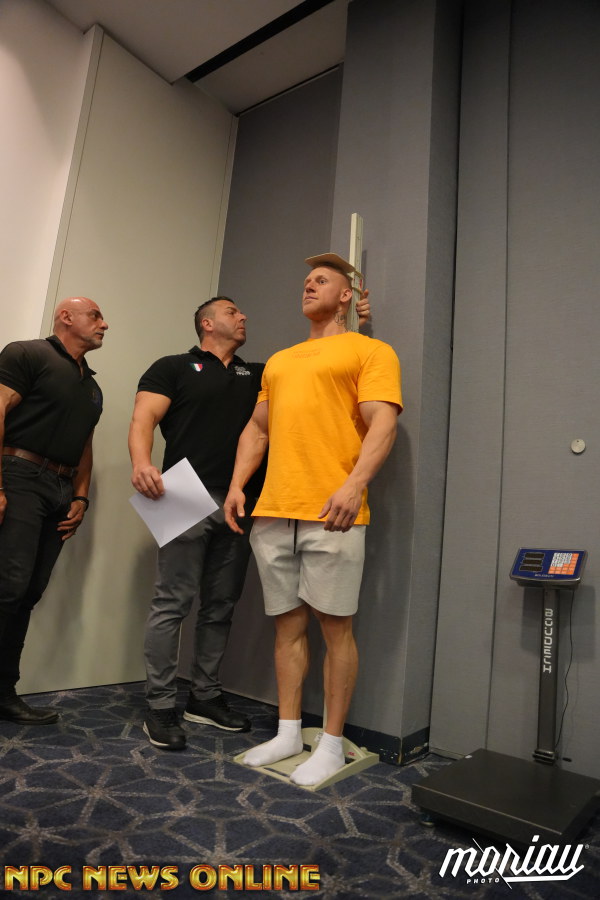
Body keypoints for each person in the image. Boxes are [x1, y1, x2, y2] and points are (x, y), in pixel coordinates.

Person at [129, 293, 371, 752]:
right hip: (180, 492)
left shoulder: (259, 373)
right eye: (231, 312)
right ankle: (159, 705)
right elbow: (144, 418)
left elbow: (328, 366)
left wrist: (357, 320)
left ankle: (204, 697)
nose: (243, 316)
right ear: (206, 323)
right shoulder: (172, 367)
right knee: (171, 603)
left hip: (242, 500)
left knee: (221, 605)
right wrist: (141, 462)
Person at [224, 254, 402, 787]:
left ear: (347, 295)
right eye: (305, 281)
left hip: (333, 512)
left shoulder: (371, 351)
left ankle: (329, 743)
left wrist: (354, 484)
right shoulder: (279, 361)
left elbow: (383, 423)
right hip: (274, 511)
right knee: (286, 627)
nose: (308, 285)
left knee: (336, 629)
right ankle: (287, 732)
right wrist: (237, 484)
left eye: (321, 280)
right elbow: (257, 429)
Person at [0, 297, 108, 725]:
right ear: (66, 317)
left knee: (28, 591)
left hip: (60, 489)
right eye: (95, 316)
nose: (104, 324)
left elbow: (85, 444)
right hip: (19, 474)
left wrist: (81, 497)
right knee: (8, 586)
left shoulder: (92, 386)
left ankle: (4, 692)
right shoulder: (27, 354)